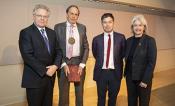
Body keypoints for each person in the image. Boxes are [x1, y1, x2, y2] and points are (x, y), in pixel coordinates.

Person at [19, 4, 62, 106]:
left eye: (45, 16)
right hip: (35, 80)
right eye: (39, 15)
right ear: (34, 16)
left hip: (50, 79)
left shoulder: (52, 33)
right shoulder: (26, 32)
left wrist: (55, 66)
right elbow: (27, 55)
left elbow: (59, 51)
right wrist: (46, 70)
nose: (42, 18)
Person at [54, 5, 89, 106]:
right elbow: (56, 48)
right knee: (63, 96)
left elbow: (86, 47)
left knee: (79, 94)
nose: (73, 16)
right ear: (67, 14)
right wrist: (63, 63)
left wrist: (82, 64)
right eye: (71, 13)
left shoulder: (82, 28)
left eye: (76, 14)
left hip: (79, 65)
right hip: (63, 64)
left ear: (78, 16)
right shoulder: (58, 27)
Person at [92, 13, 126, 106]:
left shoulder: (121, 38)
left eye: (110, 22)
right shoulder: (96, 39)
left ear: (113, 23)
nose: (107, 25)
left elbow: (122, 54)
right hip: (101, 73)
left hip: (115, 73)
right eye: (105, 22)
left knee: (113, 98)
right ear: (102, 23)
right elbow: (96, 54)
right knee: (101, 98)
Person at [124, 15, 157, 106]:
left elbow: (151, 62)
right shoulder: (128, 41)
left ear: (144, 27)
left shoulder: (150, 41)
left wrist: (145, 80)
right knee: (131, 102)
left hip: (143, 79)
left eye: (140, 25)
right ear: (132, 27)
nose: (138, 27)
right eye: (135, 25)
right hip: (130, 78)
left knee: (144, 102)